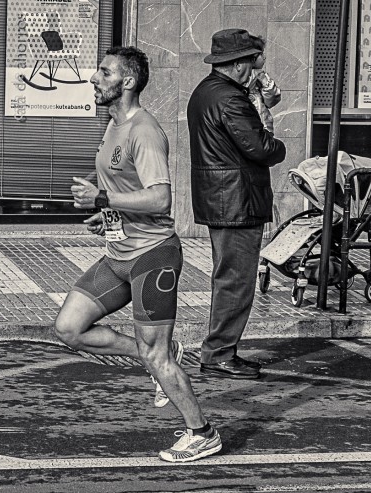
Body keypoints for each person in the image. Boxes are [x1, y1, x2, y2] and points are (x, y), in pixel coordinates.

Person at [55, 46, 222, 463]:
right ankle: (159, 357)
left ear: (127, 82)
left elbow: (161, 199)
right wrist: (108, 213)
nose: (95, 78)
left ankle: (201, 432)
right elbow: (129, 190)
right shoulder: (113, 126)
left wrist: (102, 197)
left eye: (104, 72)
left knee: (156, 353)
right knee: (69, 328)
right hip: (119, 251)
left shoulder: (143, 130)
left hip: (153, 257)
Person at [187, 29, 286, 379]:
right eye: (253, 60)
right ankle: (218, 354)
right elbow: (260, 148)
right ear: (240, 63)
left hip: (223, 198)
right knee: (236, 281)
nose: (256, 67)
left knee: (228, 277)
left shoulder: (206, 91)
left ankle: (218, 350)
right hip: (236, 201)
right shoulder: (231, 99)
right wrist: (278, 146)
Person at [246, 35, 281, 136]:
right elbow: (273, 96)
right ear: (253, 57)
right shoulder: (254, 75)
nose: (264, 57)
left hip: (262, 121)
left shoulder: (259, 75)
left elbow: (272, 99)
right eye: (261, 54)